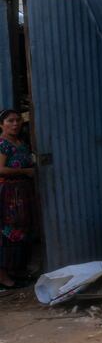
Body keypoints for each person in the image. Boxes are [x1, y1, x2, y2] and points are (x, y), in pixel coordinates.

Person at [0, 109, 35, 287]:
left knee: (22, 231)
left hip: (22, 192)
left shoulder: (21, 142)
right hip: (7, 193)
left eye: (18, 120)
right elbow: (0, 169)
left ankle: (14, 272)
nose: (15, 124)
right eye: (10, 121)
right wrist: (25, 171)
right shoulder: (2, 144)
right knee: (7, 232)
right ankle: (3, 278)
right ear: (1, 125)